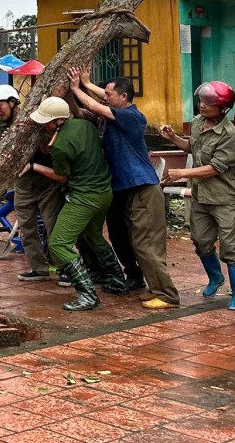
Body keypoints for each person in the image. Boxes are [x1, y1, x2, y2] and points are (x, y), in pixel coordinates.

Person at [67, 69, 181, 310]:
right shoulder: (111, 120)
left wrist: (79, 88)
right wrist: (81, 86)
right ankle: (151, 285)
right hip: (124, 190)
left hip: (143, 188)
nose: (104, 97)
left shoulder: (132, 116)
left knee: (146, 243)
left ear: (124, 96)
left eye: (109, 94)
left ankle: (168, 294)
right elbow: (85, 111)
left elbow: (98, 107)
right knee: (126, 239)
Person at [24, 95, 120, 312]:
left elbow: (62, 176)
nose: (43, 125)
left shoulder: (60, 147)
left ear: (57, 121)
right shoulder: (85, 126)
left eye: (46, 121)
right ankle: (116, 279)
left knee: (58, 243)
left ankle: (87, 294)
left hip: (84, 198)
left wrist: (34, 167)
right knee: (93, 236)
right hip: (104, 193)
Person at [160, 81, 235, 311]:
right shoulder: (198, 123)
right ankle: (216, 277)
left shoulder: (229, 135)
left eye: (209, 103)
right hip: (201, 196)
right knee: (200, 241)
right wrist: (173, 138)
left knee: (229, 246)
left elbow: (215, 168)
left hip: (225, 198)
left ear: (223, 108)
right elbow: (193, 147)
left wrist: (181, 172)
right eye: (202, 101)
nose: (203, 106)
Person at [0, 84, 59, 282]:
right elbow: (4, 156)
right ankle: (39, 269)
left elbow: (48, 148)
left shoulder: (36, 118)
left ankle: (64, 268)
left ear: (12, 102)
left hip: (47, 180)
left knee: (53, 226)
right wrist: (7, 142)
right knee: (27, 227)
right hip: (24, 183)